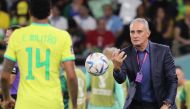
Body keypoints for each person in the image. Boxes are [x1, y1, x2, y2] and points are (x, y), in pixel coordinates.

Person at [0, 0, 78, 109]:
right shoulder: (63, 36)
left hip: (25, 104)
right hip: (53, 104)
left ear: (29, 12)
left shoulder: (17, 35)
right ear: (50, 12)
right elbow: (71, 76)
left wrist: (7, 98)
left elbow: (4, 76)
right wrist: (74, 105)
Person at [112, 18, 177, 109]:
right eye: (132, 32)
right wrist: (116, 68)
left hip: (161, 104)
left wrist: (167, 104)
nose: (135, 35)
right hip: (137, 105)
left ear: (148, 33)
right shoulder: (124, 54)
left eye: (139, 32)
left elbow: (172, 80)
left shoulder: (163, 51)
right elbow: (120, 80)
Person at [4, 25, 21, 100]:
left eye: (8, 37)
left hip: (13, 96)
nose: (5, 40)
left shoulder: (15, 55)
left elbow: (10, 80)